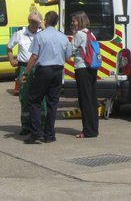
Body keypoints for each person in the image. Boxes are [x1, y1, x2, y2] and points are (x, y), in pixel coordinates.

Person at [22, 11, 71, 144]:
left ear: (46, 21)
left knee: (34, 101)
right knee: (53, 103)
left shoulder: (40, 36)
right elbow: (68, 57)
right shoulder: (63, 37)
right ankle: (49, 134)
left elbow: (34, 57)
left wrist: (25, 73)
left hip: (44, 70)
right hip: (58, 71)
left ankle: (36, 132)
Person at [6, 12, 47, 135]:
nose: (35, 25)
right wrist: (11, 59)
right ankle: (26, 126)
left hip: (39, 67)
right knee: (24, 96)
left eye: (37, 22)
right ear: (28, 21)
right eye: (32, 22)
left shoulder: (43, 34)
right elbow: (9, 47)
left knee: (42, 97)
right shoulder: (20, 33)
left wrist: (43, 27)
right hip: (24, 67)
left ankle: (42, 124)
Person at [70, 11, 99, 138]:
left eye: (74, 21)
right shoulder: (90, 33)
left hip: (82, 68)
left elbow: (69, 52)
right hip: (92, 68)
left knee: (84, 100)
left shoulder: (79, 35)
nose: (72, 23)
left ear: (80, 21)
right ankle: (93, 128)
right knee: (92, 99)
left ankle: (87, 131)